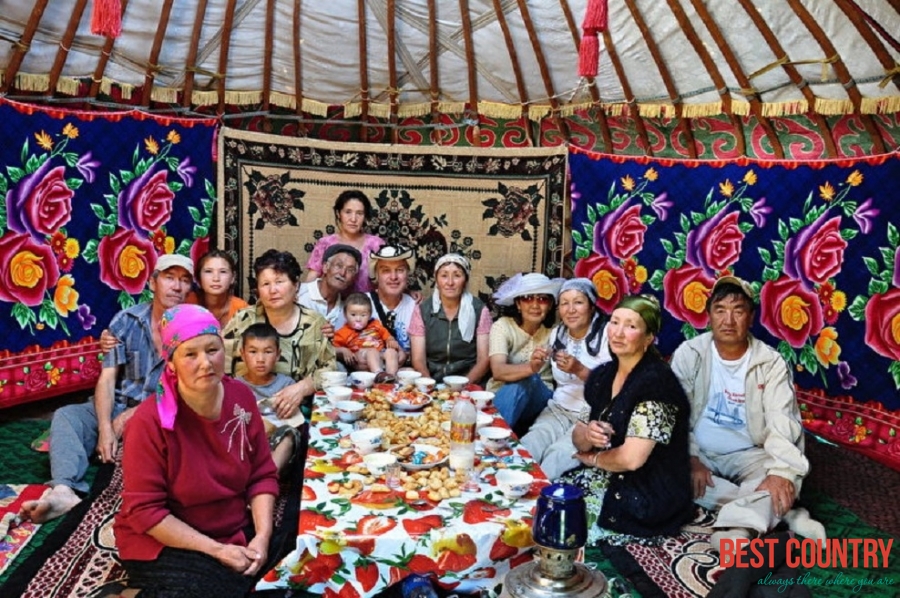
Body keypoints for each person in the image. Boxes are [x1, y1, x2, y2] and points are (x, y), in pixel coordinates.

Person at [115, 304, 279, 597]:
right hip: (166, 540)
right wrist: (217, 550)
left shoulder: (241, 398)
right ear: (171, 363)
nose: (206, 363)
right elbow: (146, 512)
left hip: (230, 526)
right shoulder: (147, 423)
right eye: (190, 354)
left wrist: (263, 538)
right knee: (222, 589)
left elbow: (261, 474)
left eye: (212, 350)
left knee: (294, 560)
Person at [19, 254, 194, 523]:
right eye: (170, 278)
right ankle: (64, 490)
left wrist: (132, 417)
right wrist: (105, 427)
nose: (177, 287)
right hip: (120, 402)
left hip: (162, 410)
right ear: (153, 283)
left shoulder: (193, 325)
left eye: (184, 281)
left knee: (175, 441)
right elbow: (108, 378)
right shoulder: (127, 320)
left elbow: (186, 389)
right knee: (68, 416)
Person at [669, 276, 824, 550]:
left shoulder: (770, 362)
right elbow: (675, 413)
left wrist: (780, 474)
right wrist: (690, 457)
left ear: (750, 317)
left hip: (750, 453)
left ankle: (737, 530)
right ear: (709, 316)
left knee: (788, 474)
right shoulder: (690, 353)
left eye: (738, 310)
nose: (728, 320)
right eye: (720, 310)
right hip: (699, 451)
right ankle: (786, 513)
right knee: (662, 467)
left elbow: (782, 421)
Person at [562, 295, 693, 546]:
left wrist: (593, 459)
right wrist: (588, 434)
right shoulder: (603, 375)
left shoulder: (657, 384)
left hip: (646, 492)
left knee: (565, 527)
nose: (618, 333)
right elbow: (579, 438)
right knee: (548, 503)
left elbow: (632, 459)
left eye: (631, 326)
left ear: (648, 338)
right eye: (614, 322)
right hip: (608, 476)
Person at [224, 249, 336, 418]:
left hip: (293, 413)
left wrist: (301, 388)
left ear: (296, 285)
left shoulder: (314, 323)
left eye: (279, 282)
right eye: (265, 284)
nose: (272, 290)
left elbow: (331, 370)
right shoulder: (244, 319)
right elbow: (220, 362)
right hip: (243, 409)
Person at [520, 278, 611, 480]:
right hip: (558, 409)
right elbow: (544, 372)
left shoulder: (608, 336)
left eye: (578, 302)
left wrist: (579, 369)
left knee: (556, 457)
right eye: (564, 303)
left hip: (592, 415)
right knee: (529, 446)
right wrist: (536, 360)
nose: (570, 309)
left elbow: (614, 387)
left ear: (591, 306)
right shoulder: (557, 334)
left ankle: (535, 506)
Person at [487, 272, 562, 436]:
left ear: (550, 305)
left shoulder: (556, 332)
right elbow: (498, 371)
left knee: (529, 381)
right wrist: (531, 367)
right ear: (518, 304)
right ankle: (498, 434)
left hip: (539, 400)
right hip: (500, 397)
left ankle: (493, 437)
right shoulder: (503, 326)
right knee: (524, 380)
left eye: (543, 299)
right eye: (528, 298)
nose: (535, 305)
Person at [408, 253, 491, 384]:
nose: (450, 282)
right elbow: (418, 360)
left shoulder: (480, 310)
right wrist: (430, 385)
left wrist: (463, 385)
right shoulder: (422, 310)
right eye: (444, 275)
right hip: (432, 377)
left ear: (465, 280)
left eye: (457, 275)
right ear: (436, 279)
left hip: (468, 378)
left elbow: (484, 360)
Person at [236, 323, 305, 475]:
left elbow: (295, 422)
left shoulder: (287, 386)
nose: (260, 359)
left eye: (268, 352)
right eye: (253, 352)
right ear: (242, 354)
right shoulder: (235, 386)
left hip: (276, 442)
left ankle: (269, 477)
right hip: (247, 442)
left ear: (278, 354)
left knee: (289, 436)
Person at [303, 190, 384, 293]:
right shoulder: (325, 243)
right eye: (348, 212)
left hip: (366, 305)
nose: (353, 219)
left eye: (359, 213)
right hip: (330, 305)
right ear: (338, 214)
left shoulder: (376, 244)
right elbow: (311, 280)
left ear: (365, 217)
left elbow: (386, 279)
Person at [366, 244, 418, 366]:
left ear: (407, 274)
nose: (393, 277)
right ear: (376, 275)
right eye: (386, 271)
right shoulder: (359, 303)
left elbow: (421, 354)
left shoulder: (415, 307)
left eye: (400, 270)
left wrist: (406, 357)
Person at [333, 292, 401, 376]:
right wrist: (343, 350)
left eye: (363, 315)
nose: (358, 319)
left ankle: (391, 377)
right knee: (371, 351)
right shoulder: (342, 332)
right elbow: (332, 349)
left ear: (369, 315)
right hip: (362, 356)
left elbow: (387, 336)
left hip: (380, 354)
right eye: (353, 315)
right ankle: (379, 374)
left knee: (391, 352)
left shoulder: (375, 324)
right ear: (345, 315)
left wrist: (391, 340)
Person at [297, 243, 362, 331]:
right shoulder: (298, 294)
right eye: (338, 265)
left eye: (350, 270)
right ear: (325, 267)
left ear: (353, 278)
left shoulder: (346, 312)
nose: (343, 273)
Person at [187, 249, 249, 327]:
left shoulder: (241, 309)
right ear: (198, 278)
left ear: (233, 277)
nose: (216, 278)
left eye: (223, 271)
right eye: (208, 271)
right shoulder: (187, 304)